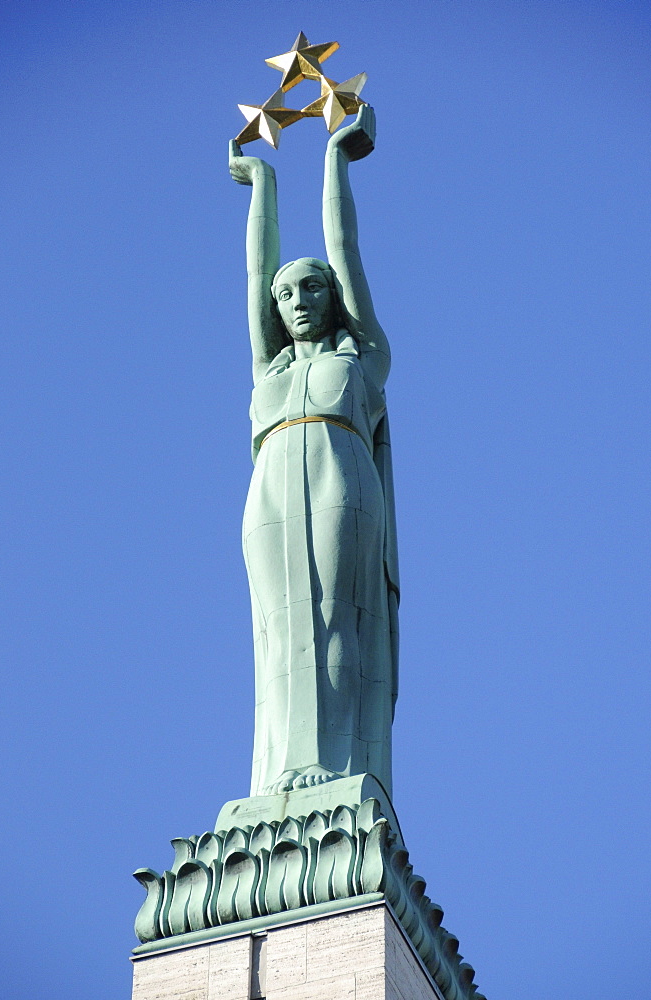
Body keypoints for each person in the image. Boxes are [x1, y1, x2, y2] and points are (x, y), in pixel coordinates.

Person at [229, 105, 399, 798]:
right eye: (286, 292)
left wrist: (335, 161)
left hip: (339, 473)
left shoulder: (362, 360)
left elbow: (347, 250)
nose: (297, 298)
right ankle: (277, 777)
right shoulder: (268, 371)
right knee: (278, 634)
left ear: (333, 298)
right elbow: (251, 273)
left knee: (334, 613)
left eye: (312, 287)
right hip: (269, 488)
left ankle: (334, 765)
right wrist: (260, 183)